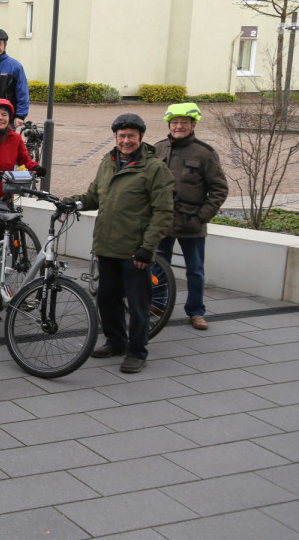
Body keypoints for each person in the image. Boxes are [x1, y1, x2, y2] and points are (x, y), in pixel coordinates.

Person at [65, 113, 174, 374]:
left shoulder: (154, 169)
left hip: (134, 250)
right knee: (107, 299)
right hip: (107, 246)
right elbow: (94, 196)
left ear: (141, 138)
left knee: (138, 305)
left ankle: (137, 352)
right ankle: (115, 342)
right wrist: (71, 202)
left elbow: (163, 212)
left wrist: (147, 247)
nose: (126, 141)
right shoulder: (108, 162)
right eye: (122, 136)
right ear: (115, 136)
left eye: (131, 136)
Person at [154, 103, 228, 331]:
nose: (178, 126)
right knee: (157, 266)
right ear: (169, 124)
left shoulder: (204, 153)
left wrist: (201, 217)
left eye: (184, 123)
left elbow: (219, 189)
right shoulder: (157, 149)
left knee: (195, 270)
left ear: (193, 124)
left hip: (191, 222)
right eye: (175, 122)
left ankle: (196, 311)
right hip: (163, 221)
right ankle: (157, 304)